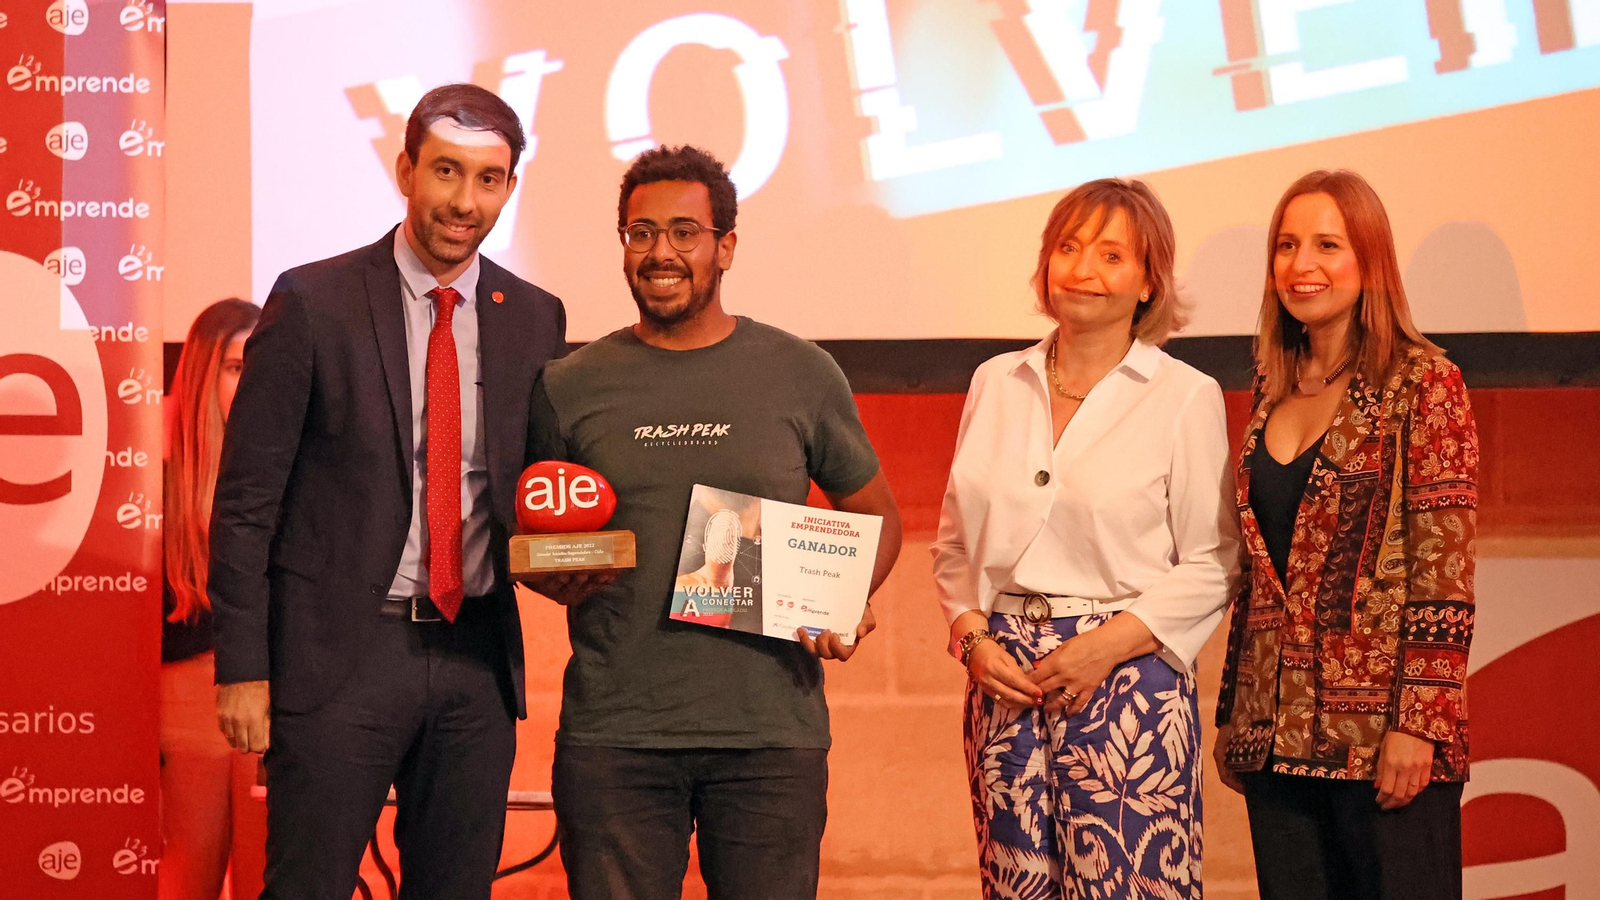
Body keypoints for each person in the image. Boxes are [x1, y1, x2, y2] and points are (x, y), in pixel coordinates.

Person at [208, 83, 568, 899]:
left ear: (509, 188)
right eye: (446, 171)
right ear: (406, 170)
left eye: (488, 178)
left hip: (477, 656)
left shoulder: (535, 317)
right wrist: (243, 666)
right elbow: (245, 502)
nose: (464, 200)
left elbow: (547, 484)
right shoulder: (313, 302)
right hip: (340, 658)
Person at [526, 144, 903, 900]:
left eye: (684, 232)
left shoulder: (800, 371)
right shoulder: (569, 386)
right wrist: (555, 577)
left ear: (725, 246)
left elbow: (878, 517)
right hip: (615, 737)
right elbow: (541, 544)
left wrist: (843, 601)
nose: (661, 252)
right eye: (640, 233)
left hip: (770, 737)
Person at [931, 178, 1238, 899]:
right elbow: (952, 546)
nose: (1082, 270)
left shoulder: (1183, 394)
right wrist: (972, 638)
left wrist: (1104, 646)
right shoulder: (994, 381)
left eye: (1111, 255)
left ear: (1147, 281)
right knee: (1016, 889)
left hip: (1128, 677)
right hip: (1005, 680)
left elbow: (1215, 559)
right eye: (1067, 248)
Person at [1213, 169, 1478, 900]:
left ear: (1369, 262)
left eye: (1328, 244)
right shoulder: (1272, 392)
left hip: (1385, 746)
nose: (1303, 266)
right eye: (1288, 245)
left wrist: (1419, 726)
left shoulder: (1422, 384)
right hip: (1278, 745)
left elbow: (1443, 571)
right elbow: (1261, 574)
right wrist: (1237, 715)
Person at [160, 298, 260, 900]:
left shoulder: (294, 463)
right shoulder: (156, 473)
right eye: (235, 367)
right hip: (186, 692)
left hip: (272, 691)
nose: (250, 382)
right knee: (189, 871)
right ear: (202, 373)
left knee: (266, 875)